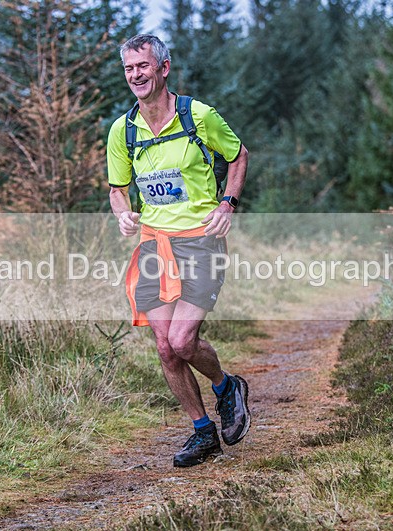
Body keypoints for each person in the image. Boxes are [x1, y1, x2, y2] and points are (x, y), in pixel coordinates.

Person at [107, 34, 251, 467]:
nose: (135, 75)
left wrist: (228, 203)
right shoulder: (122, 130)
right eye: (129, 68)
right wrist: (123, 214)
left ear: (163, 68)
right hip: (154, 245)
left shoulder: (198, 116)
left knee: (184, 340)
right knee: (165, 348)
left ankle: (227, 387)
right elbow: (118, 189)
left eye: (143, 67)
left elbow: (239, 155)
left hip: (202, 241)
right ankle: (203, 433)